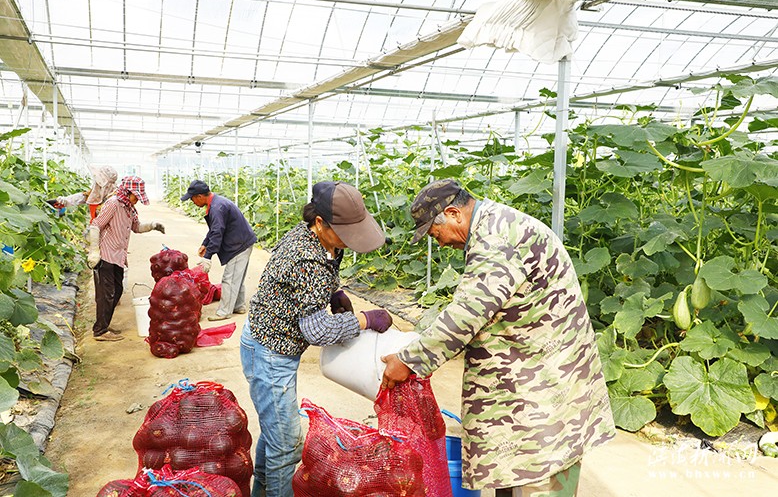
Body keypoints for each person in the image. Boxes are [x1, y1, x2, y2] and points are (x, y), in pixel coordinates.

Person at [381, 179, 615, 497]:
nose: (439, 242)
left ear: (453, 214)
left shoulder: (496, 240)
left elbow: (467, 313)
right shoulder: (491, 226)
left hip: (546, 387)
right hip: (529, 375)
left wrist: (410, 360)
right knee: (512, 473)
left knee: (540, 473)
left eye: (436, 233)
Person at [240, 181, 393, 497]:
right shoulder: (307, 258)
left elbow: (315, 277)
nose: (348, 244)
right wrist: (365, 319)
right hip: (270, 352)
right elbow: (318, 331)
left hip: (268, 345)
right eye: (344, 235)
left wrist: (332, 293)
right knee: (286, 444)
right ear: (320, 222)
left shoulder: (312, 235)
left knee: (274, 435)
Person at [87, 176, 165, 342]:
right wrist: (94, 250)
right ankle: (100, 330)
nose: (137, 199)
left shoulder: (129, 208)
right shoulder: (113, 204)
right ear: (127, 191)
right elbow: (96, 225)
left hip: (119, 256)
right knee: (105, 294)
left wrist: (152, 225)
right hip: (106, 255)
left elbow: (136, 227)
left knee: (118, 290)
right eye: (136, 196)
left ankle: (104, 323)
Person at [181, 180, 257, 321]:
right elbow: (214, 229)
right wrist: (205, 244)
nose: (193, 202)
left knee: (230, 278)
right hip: (242, 241)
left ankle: (224, 312)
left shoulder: (217, 207)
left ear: (199, 196)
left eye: (192, 199)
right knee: (237, 277)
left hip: (239, 245)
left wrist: (208, 257)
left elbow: (217, 232)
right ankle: (238, 306)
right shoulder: (216, 203)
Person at [51, 165, 118, 222]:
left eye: (99, 183)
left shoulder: (116, 199)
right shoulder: (95, 194)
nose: (97, 185)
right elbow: (80, 197)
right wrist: (64, 201)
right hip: (96, 230)